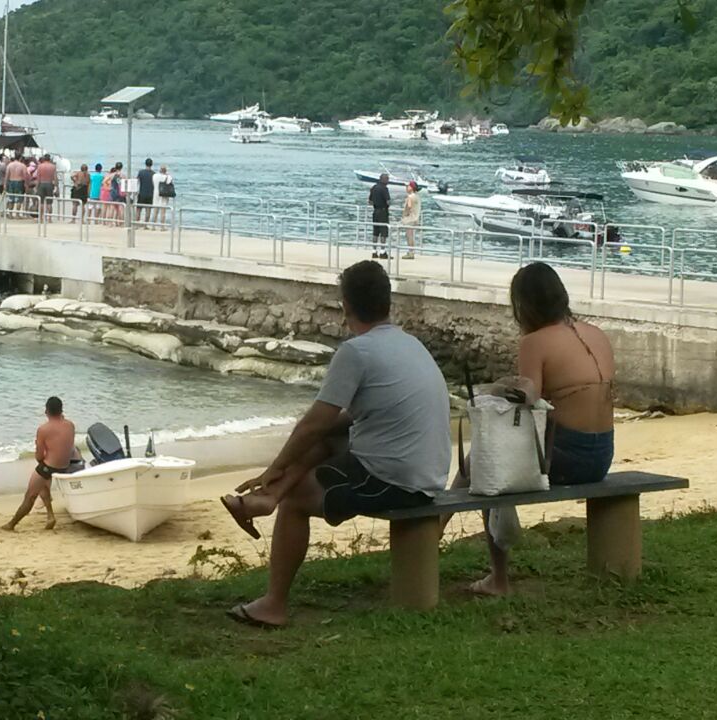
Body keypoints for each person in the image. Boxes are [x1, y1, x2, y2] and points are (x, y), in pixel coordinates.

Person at [219, 261, 452, 628]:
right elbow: (344, 420)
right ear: (387, 302)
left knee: (298, 500)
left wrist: (274, 468)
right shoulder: (409, 344)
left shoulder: (356, 352)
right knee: (332, 438)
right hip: (428, 470)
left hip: (395, 481)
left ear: (345, 306)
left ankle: (274, 603)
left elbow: (314, 425)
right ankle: (268, 497)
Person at [447, 262, 616, 596]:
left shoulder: (535, 342)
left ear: (524, 305)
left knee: (484, 463)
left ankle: (497, 578)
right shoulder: (595, 333)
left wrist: (494, 389)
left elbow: (527, 397)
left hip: (568, 459)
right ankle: (437, 527)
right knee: (476, 462)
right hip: (602, 456)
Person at [2, 397, 77, 532]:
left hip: (49, 467)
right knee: (43, 481)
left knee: (30, 496)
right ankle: (50, 516)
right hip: (65, 466)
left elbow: (39, 456)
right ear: (61, 410)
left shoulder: (43, 429)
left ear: (46, 411)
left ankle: (11, 524)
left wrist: (41, 455)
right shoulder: (70, 425)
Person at [369, 173, 392, 259]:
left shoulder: (374, 187)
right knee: (383, 231)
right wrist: (387, 206)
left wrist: (376, 203)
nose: (388, 181)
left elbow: (370, 201)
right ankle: (383, 252)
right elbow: (388, 201)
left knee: (375, 231)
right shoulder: (384, 189)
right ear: (383, 179)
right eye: (387, 179)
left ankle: (374, 251)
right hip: (383, 211)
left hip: (375, 211)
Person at [402, 181, 421, 259]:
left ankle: (410, 252)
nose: (406, 188)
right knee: (411, 236)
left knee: (409, 236)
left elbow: (409, 207)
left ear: (412, 188)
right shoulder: (417, 196)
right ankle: (411, 251)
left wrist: (405, 214)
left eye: (408, 186)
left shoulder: (410, 197)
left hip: (410, 219)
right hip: (415, 218)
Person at [36, 155, 58, 220]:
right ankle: (49, 218)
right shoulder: (53, 167)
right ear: (50, 159)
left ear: (44, 159)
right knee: (49, 202)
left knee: (41, 202)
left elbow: (38, 177)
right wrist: (56, 187)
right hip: (49, 184)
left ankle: (41, 217)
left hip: (41, 183)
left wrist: (37, 187)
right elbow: (55, 178)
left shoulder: (40, 166)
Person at [136, 158, 156, 227]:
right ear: (151, 164)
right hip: (150, 194)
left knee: (138, 209)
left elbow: (137, 181)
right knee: (148, 210)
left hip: (142, 193)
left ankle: (136, 224)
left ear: (145, 164)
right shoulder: (154, 174)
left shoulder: (141, 172)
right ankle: (145, 225)